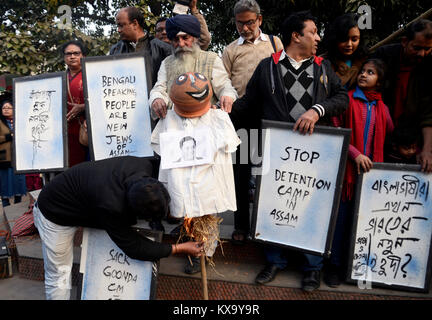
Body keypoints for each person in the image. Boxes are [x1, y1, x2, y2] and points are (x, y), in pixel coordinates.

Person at [230, 11, 348, 292]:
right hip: (275, 152)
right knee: (273, 204)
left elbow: (341, 98)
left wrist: (317, 110)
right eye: (313, 32)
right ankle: (274, 261)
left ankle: (312, 268)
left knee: (310, 206)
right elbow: (247, 104)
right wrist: (214, 115)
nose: (318, 37)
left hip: (314, 155)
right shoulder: (266, 66)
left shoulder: (323, 68)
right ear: (296, 36)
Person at [33, 156, 203, 300]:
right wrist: (178, 248)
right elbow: (134, 247)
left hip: (83, 201)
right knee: (59, 275)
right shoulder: (111, 206)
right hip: (54, 215)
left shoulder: (144, 165)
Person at [151, 72, 240, 274]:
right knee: (187, 212)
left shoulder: (217, 117)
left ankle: (206, 254)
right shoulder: (169, 118)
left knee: (208, 214)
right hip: (182, 178)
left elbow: (230, 146)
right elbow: (160, 146)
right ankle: (194, 248)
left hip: (209, 178)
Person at [222, 0, 284, 245]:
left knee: (268, 173)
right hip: (241, 117)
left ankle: (268, 228)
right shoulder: (230, 50)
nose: (245, 28)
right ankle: (240, 227)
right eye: (240, 23)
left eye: (249, 22)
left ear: (259, 19)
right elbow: (223, 83)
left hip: (271, 116)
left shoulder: (275, 43)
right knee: (241, 172)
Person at [327, 58, 394, 287]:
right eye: (363, 71)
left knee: (365, 224)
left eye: (371, 72)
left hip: (369, 177)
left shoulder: (382, 108)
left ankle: (353, 269)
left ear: (380, 81)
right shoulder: (347, 101)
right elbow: (337, 129)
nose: (364, 75)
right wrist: (355, 154)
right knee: (341, 222)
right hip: (347, 173)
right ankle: (334, 267)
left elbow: (390, 133)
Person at [150, 14, 238, 120]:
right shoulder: (166, 63)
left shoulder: (211, 59)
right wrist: (157, 99)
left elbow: (224, 86)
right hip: (174, 123)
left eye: (185, 38)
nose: (181, 44)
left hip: (207, 121)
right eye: (176, 39)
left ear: (195, 38)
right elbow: (159, 88)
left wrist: (227, 96)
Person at [372, 19, 432, 173]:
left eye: (428, 49)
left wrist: (426, 150)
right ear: (405, 42)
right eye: (416, 48)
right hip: (378, 136)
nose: (422, 54)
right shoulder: (383, 56)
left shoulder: (429, 65)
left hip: (412, 142)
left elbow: (428, 112)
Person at [109, 6, 173, 86]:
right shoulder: (115, 50)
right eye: (117, 26)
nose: (118, 30)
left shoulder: (163, 48)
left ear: (135, 24)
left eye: (121, 25)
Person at [320, 13, 368, 89]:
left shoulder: (365, 64)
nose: (349, 44)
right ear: (335, 39)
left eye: (354, 40)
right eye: (344, 39)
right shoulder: (322, 63)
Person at [62, 40, 89, 167]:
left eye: (76, 53)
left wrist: (83, 107)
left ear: (83, 55)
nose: (72, 56)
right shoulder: (60, 78)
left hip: (86, 128)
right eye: (68, 54)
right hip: (65, 131)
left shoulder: (91, 74)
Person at [0, 100, 27, 207]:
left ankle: (18, 204)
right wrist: (8, 137)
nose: (6, 109)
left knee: (18, 181)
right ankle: (6, 205)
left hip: (18, 157)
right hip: (4, 158)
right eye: (4, 108)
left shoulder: (19, 121)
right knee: (5, 182)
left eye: (8, 107)